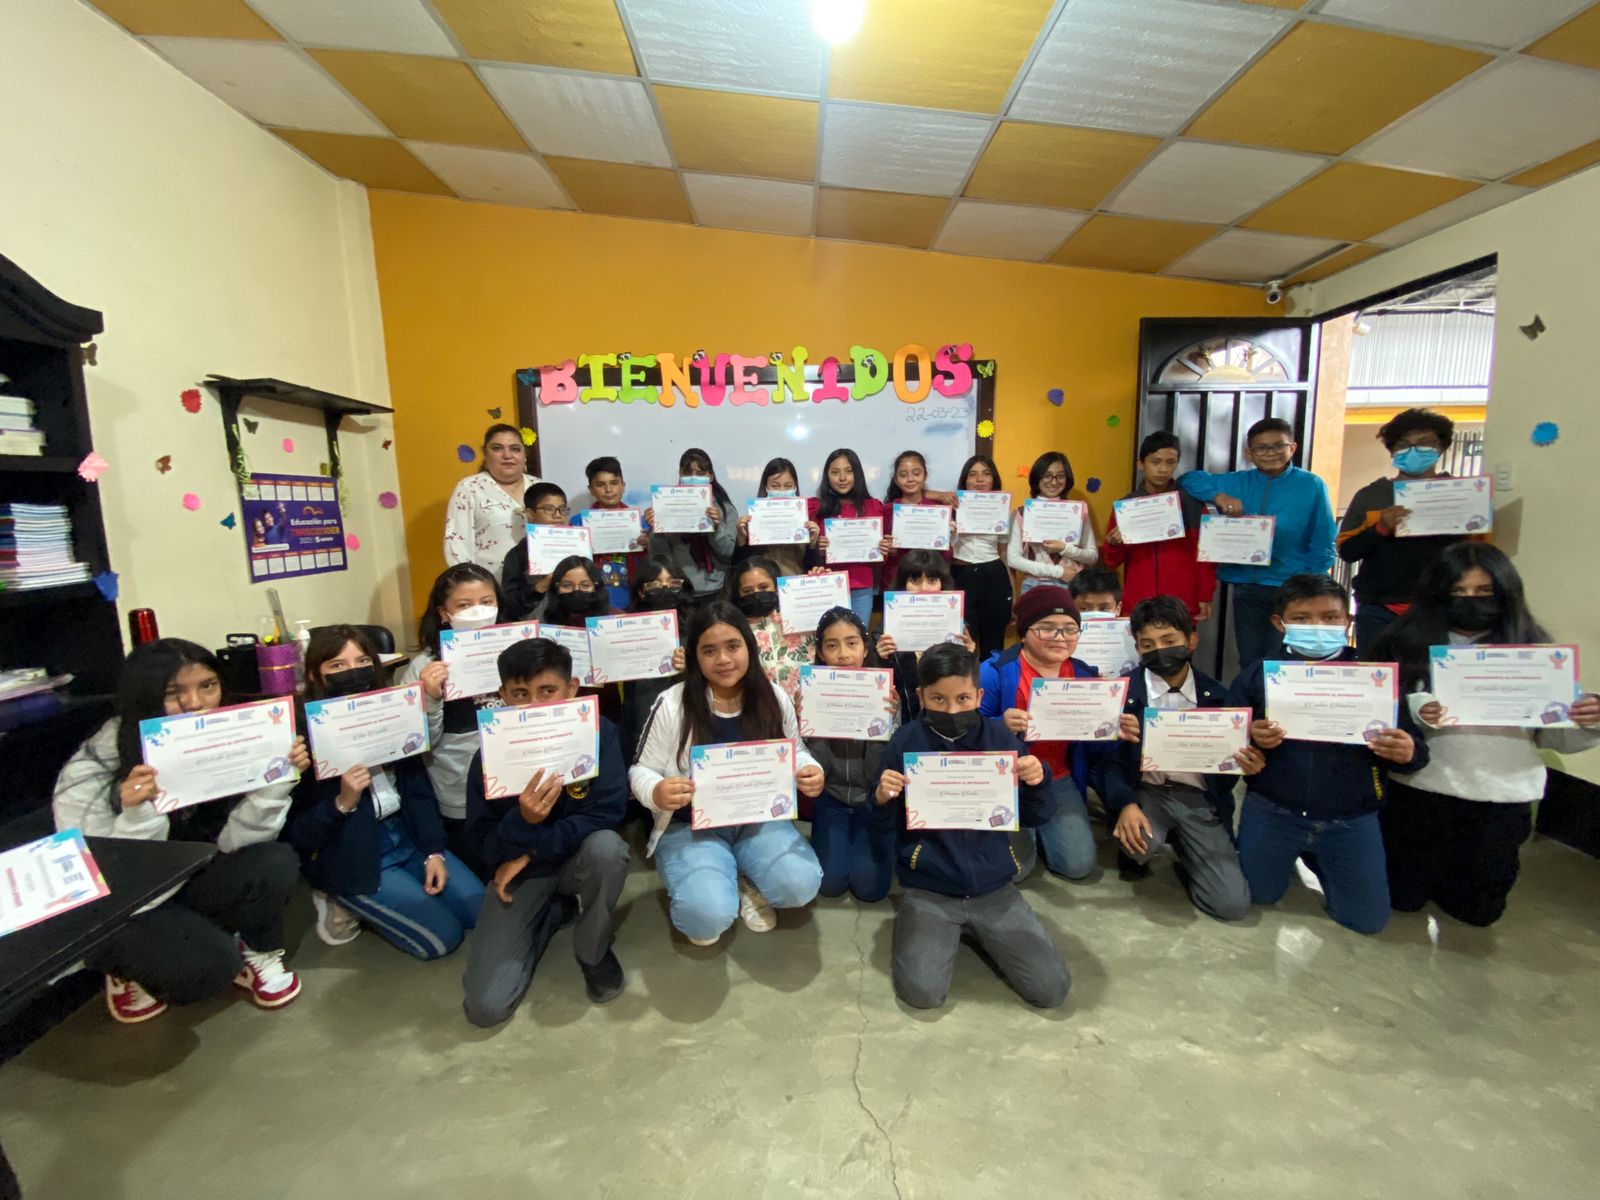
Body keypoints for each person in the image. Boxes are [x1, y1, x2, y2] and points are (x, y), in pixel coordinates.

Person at [52, 639, 309, 1023]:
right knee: (206, 969)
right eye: (173, 693)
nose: (195, 704)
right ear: (143, 698)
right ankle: (124, 969)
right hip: (121, 902)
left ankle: (256, 951)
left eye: (208, 686)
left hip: (184, 879)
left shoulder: (223, 739)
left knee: (274, 861)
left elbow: (233, 844)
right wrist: (140, 812)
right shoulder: (91, 771)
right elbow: (102, 885)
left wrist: (274, 783)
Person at [1373, 544, 1600, 926]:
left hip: (1500, 799)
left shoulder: (1536, 655)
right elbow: (1373, 715)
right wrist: (1417, 711)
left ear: (1505, 593)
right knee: (1402, 899)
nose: (1470, 601)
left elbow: (1558, 739)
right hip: (1419, 792)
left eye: (1483, 592)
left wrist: (1587, 718)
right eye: (1458, 592)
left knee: (1478, 913)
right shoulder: (1403, 644)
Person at [871, 643, 1070, 1010]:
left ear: (979, 695)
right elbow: (882, 826)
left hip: (994, 886)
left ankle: (979, 928)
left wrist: (1037, 781)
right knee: (922, 995)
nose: (952, 709)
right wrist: (882, 798)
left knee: (1052, 990)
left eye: (963, 698)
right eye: (938, 699)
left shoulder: (1000, 740)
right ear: (920, 696)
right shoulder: (905, 742)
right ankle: (936, 928)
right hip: (930, 887)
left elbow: (1037, 816)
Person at [1228, 574, 1426, 935]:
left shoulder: (1375, 678)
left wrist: (1408, 750)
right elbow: (1228, 743)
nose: (1317, 626)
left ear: (1347, 621)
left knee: (1367, 921)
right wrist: (1251, 740)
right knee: (1256, 896)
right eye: (1302, 619)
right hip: (1275, 811)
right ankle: (1289, 855)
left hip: (1350, 819)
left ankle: (1320, 858)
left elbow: (1417, 751)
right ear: (1279, 623)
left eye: (1330, 617)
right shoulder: (1257, 676)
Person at [629, 602, 825, 946]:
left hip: (757, 819)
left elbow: (796, 751)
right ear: (695, 657)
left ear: (749, 647)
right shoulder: (672, 704)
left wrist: (809, 769)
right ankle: (721, 880)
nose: (723, 659)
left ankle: (743, 873)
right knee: (705, 920)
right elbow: (640, 769)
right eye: (709, 650)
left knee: (799, 886)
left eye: (733, 646)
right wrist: (657, 791)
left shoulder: (773, 698)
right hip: (689, 826)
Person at [290, 626, 485, 957]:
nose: (352, 671)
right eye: (337, 665)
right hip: (355, 852)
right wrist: (342, 803)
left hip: (405, 835)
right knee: (441, 940)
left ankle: (402, 892)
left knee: (479, 913)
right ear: (315, 674)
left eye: (362, 660)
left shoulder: (393, 714)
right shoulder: (302, 739)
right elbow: (299, 836)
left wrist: (434, 851)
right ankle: (336, 899)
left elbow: (419, 791)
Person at [462, 639, 630, 1020]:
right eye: (520, 694)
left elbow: (605, 812)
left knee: (609, 849)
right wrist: (522, 823)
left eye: (547, 691)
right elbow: (482, 842)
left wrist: (530, 848)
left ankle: (593, 950)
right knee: (486, 1008)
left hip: (564, 859)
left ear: (572, 689)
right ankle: (551, 914)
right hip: (524, 874)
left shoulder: (599, 733)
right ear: (502, 696)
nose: (535, 705)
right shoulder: (488, 756)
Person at [1103, 597, 1259, 920]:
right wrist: (1125, 804)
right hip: (1148, 791)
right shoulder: (1122, 693)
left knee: (1231, 905)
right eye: (1147, 644)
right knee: (1139, 848)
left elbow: (1227, 774)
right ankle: (1148, 840)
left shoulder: (1219, 698)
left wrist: (1245, 765)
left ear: (1191, 640)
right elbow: (1108, 763)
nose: (1158, 650)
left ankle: (1188, 846)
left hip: (1199, 797)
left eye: (1169, 641)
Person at [1180, 417, 1336, 669]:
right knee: (1250, 660)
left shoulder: (1311, 485)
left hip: (1292, 589)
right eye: (1261, 448)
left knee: (1286, 658)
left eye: (1278, 446)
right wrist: (1219, 495)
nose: (1270, 453)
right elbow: (1189, 479)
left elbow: (1323, 539)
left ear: (1292, 448)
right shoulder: (1238, 481)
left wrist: (1313, 586)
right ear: (1249, 453)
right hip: (1247, 587)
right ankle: (1254, 705)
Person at [980, 586, 1104, 883]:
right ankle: (1028, 830)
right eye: (1046, 628)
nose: (1060, 638)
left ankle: (1040, 828)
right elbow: (965, 729)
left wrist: (1111, 729)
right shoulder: (995, 670)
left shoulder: (1085, 676)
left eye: (1069, 629)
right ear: (1024, 633)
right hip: (1007, 779)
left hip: (1057, 777)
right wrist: (999, 724)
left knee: (1077, 865)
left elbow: (1096, 752)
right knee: (1016, 872)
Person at [1338, 408, 1479, 655]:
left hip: (1441, 607)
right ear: (1392, 452)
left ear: (1441, 447)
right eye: (1404, 445)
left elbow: (1479, 553)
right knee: (1379, 677)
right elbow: (1347, 551)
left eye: (1425, 444)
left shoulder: (1462, 494)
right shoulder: (1371, 495)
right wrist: (1380, 528)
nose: (1414, 451)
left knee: (1432, 678)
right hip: (1378, 607)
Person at [397, 563, 507, 879]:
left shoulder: (516, 649)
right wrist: (430, 697)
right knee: (484, 887)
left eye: (487, 602)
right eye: (464, 605)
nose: (478, 611)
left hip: (514, 788)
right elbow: (414, 746)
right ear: (445, 613)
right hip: (460, 799)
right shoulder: (424, 667)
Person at [803, 607, 897, 903]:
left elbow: (876, 773)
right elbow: (821, 770)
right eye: (832, 645)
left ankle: (882, 841)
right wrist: (810, 725)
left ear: (865, 647)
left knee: (870, 889)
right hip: (831, 798)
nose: (843, 654)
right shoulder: (811, 692)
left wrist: (888, 724)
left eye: (852, 643)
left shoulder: (883, 691)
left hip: (872, 802)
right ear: (820, 652)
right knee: (830, 885)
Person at [1101, 431, 1216, 621]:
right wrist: (1114, 544)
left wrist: (1205, 594)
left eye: (1170, 462)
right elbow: (1112, 561)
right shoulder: (1126, 507)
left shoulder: (1192, 504)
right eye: (1155, 462)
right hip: (1139, 602)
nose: (1163, 469)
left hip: (1182, 602)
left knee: (1180, 650)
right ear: (1141, 463)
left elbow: (1206, 555)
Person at [877, 549, 977, 725]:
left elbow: (966, 687)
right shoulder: (885, 633)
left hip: (947, 721)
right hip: (904, 724)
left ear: (942, 585)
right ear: (903, 585)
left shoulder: (959, 629)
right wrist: (879, 658)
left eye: (932, 580)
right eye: (915, 580)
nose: (924, 589)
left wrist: (970, 656)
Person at [620, 556, 693, 764]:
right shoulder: (623, 628)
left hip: (685, 713)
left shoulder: (698, 626)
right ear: (641, 591)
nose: (665, 589)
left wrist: (690, 668)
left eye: (672, 583)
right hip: (640, 707)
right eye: (655, 584)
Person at [646, 447, 738, 600]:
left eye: (701, 474)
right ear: (680, 475)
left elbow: (728, 552)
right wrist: (657, 532)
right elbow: (659, 557)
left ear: (710, 476)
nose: (694, 477)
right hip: (681, 589)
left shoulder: (725, 508)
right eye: (688, 473)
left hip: (718, 589)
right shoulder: (667, 506)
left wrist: (716, 528)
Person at [444, 423, 538, 571]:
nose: (507, 455)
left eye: (515, 449)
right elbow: (457, 544)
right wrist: (470, 583)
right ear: (486, 455)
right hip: (490, 587)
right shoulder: (470, 488)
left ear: (524, 456)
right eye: (497, 448)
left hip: (538, 587)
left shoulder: (541, 487)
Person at [810, 447, 886, 627]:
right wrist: (817, 547)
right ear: (827, 476)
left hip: (861, 587)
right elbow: (806, 548)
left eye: (848, 472)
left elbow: (880, 558)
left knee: (857, 639)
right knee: (828, 638)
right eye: (835, 472)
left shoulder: (873, 507)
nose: (842, 478)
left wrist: (884, 550)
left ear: (857, 474)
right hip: (828, 586)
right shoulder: (818, 508)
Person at [951, 453, 1013, 661]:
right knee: (961, 642)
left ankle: (989, 688)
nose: (979, 480)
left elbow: (1004, 553)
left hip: (994, 574)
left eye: (986, 474)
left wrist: (1013, 594)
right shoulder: (950, 510)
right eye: (973, 475)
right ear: (965, 481)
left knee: (993, 643)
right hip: (961, 574)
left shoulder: (1002, 509)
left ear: (993, 479)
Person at [726, 555, 814, 703]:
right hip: (759, 709)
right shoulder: (734, 629)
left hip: (805, 707)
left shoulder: (801, 617)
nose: (756, 594)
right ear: (738, 594)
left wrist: (822, 580)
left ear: (776, 586)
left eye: (763, 587)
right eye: (748, 591)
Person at [1007, 450, 1097, 593]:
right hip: (1034, 585)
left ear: (1067, 479)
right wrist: (1058, 572)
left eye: (1060, 476)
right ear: (1037, 478)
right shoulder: (1021, 513)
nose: (1054, 481)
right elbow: (1013, 559)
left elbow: (1092, 556)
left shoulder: (1078, 512)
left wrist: (1064, 548)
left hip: (1073, 585)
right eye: (1047, 475)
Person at [572, 455, 647, 611]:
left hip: (633, 601)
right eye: (600, 485)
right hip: (593, 603)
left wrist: (650, 544)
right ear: (591, 489)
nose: (608, 490)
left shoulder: (641, 523)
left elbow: (654, 564)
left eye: (614, 483)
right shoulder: (578, 523)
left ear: (623, 485)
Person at [881, 449, 954, 586]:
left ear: (925, 476)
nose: (910, 479)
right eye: (903, 475)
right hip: (896, 581)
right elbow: (879, 556)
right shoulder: (887, 511)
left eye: (916, 473)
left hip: (930, 581)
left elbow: (946, 556)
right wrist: (889, 551)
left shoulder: (938, 511)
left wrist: (947, 538)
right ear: (896, 479)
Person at [736, 456, 818, 578]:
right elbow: (740, 566)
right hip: (764, 587)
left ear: (795, 486)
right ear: (766, 487)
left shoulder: (804, 520)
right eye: (775, 486)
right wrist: (741, 539)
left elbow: (812, 567)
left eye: (788, 486)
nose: (781, 491)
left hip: (794, 585)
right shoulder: (752, 520)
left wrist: (812, 544)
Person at [499, 481, 569, 621]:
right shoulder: (518, 555)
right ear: (530, 513)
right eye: (549, 509)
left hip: (573, 627)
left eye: (562, 509)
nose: (558, 515)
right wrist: (538, 588)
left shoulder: (578, 548)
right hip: (536, 630)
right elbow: (510, 605)